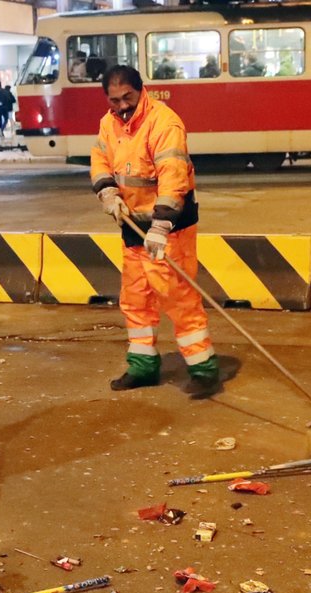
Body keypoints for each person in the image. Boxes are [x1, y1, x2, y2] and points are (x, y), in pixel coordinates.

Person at [89, 65, 219, 398]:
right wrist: (107, 191)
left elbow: (172, 176)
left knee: (177, 296)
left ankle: (203, 368)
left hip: (169, 227)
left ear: (141, 90)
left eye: (127, 98)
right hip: (132, 225)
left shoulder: (165, 123)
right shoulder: (109, 123)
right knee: (136, 298)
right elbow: (101, 159)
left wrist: (161, 225)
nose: (121, 106)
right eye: (114, 100)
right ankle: (143, 366)